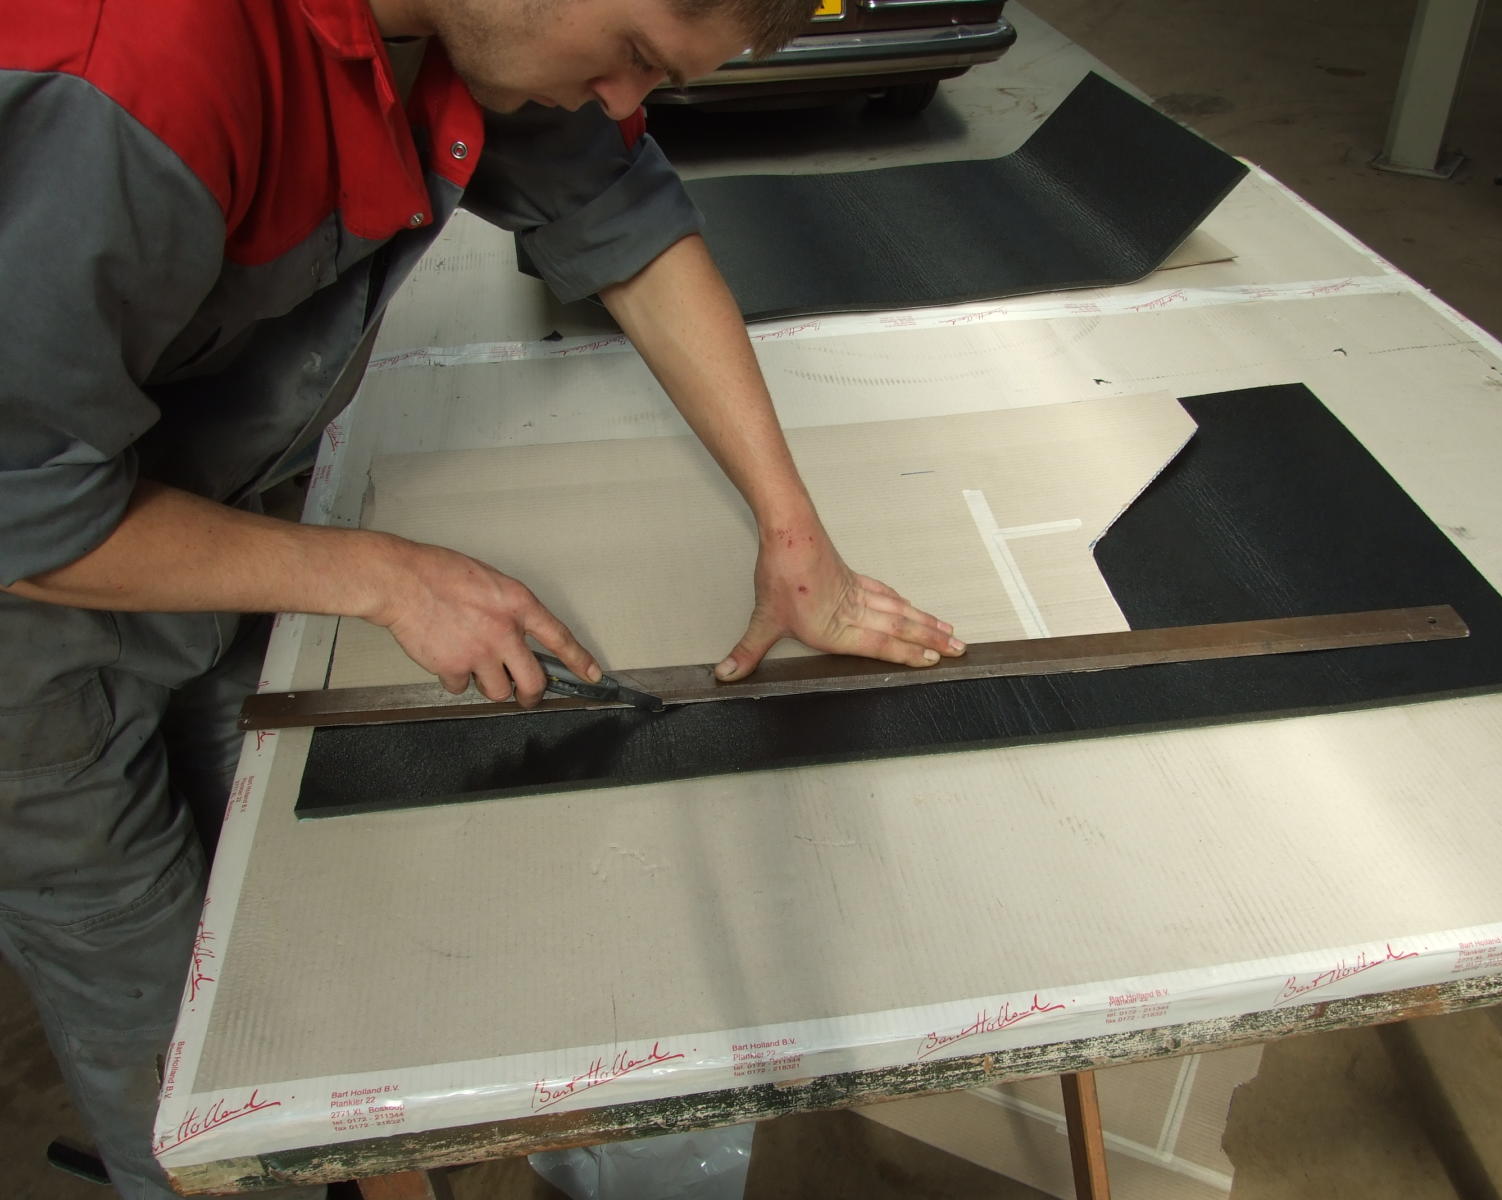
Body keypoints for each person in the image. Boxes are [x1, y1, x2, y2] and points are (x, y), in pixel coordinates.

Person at [0, 0, 965, 1195]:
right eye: (632, 57)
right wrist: (385, 575)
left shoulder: (478, 30)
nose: (624, 103)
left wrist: (792, 533)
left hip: (209, 520)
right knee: (170, 1042)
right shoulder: (131, 76)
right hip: (27, 642)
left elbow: (620, 217)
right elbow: (23, 505)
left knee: (276, 938)